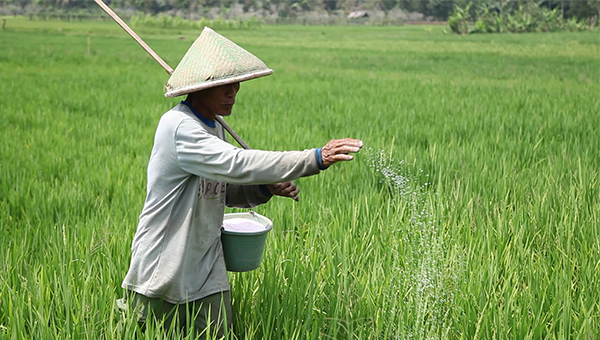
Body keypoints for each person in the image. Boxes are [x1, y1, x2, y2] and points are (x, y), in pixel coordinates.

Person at [118, 27, 363, 339]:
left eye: (235, 83)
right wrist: (314, 158)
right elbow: (238, 163)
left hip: (206, 267)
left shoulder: (213, 127)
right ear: (198, 87)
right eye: (223, 84)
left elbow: (218, 188)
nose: (233, 91)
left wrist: (264, 188)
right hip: (165, 267)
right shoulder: (180, 128)